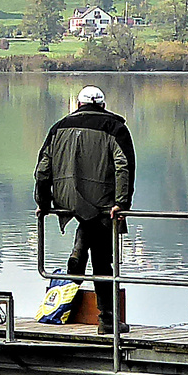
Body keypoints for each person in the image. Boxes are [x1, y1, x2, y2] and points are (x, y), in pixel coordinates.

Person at [34, 85, 135, 333]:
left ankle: (79, 248)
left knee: (87, 225)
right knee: (103, 262)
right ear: (102, 105)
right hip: (102, 203)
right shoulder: (115, 128)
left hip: (66, 199)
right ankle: (108, 320)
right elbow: (124, 167)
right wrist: (121, 203)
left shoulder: (59, 128)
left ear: (78, 105)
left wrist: (43, 203)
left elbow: (43, 169)